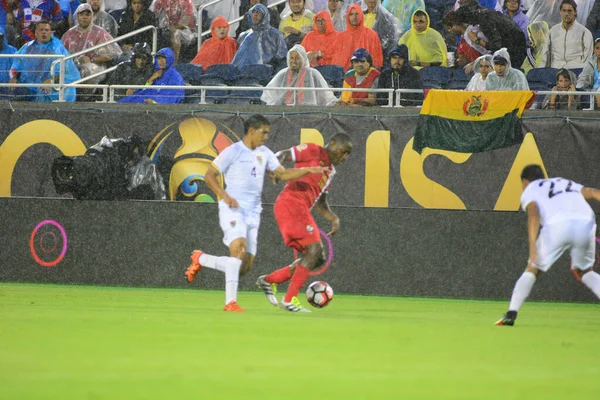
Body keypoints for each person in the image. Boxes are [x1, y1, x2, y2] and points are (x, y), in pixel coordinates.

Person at [185, 114, 329, 312]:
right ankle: (230, 303)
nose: (267, 137)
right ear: (252, 131)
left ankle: (201, 258)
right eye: (264, 132)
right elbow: (209, 175)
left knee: (242, 266)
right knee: (238, 248)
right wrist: (224, 196)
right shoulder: (233, 151)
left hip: (254, 212)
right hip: (232, 208)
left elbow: (284, 174)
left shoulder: (265, 153)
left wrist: (309, 170)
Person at [256, 132, 353, 312]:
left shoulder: (330, 172)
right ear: (332, 144)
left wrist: (332, 217)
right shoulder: (312, 150)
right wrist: (275, 169)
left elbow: (321, 200)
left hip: (300, 209)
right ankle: (289, 299)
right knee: (314, 249)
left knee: (318, 257)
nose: (345, 157)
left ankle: (269, 280)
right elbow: (282, 154)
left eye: (348, 154)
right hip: (290, 203)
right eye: (344, 151)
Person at [495, 164, 600, 326]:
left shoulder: (530, 189)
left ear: (525, 181)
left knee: (532, 268)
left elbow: (533, 213)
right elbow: (593, 192)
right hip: (586, 223)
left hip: (557, 226)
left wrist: (532, 247)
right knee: (585, 271)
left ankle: (511, 314)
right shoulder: (564, 182)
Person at [9, 20, 80, 101]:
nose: (44, 32)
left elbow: (68, 73)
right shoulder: (27, 47)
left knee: (45, 93)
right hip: (28, 88)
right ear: (36, 32)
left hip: (51, 89)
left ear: (51, 33)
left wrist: (51, 80)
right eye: (41, 30)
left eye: (46, 30)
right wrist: (13, 77)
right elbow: (16, 64)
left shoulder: (58, 49)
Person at [455, 2, 527, 69]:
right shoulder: (487, 13)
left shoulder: (485, 20)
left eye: (467, 22)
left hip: (515, 52)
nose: (470, 24)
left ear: (469, 18)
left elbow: (496, 46)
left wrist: (477, 40)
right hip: (514, 47)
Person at [62, 3, 122, 82]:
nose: (85, 17)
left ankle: (86, 94)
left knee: (85, 70)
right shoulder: (69, 34)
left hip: (95, 66)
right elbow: (61, 54)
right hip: (72, 66)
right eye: (82, 14)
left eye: (87, 14)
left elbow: (111, 55)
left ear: (92, 16)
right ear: (77, 16)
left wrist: (91, 59)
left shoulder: (100, 33)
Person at [261, 44, 337, 106]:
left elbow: (326, 96)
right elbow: (270, 94)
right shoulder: (282, 73)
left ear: (303, 59)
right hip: (284, 110)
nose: (293, 61)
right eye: (291, 58)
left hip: (309, 111)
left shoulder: (313, 73)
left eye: (297, 58)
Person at [118, 47, 184, 103]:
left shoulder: (176, 77)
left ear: (170, 59)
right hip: (146, 104)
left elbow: (172, 99)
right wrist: (150, 80)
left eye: (163, 58)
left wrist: (154, 102)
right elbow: (145, 90)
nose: (160, 61)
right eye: (159, 58)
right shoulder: (155, 73)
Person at [540, 0, 593, 70]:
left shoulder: (584, 32)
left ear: (575, 12)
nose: (567, 14)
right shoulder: (553, 31)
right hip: (554, 70)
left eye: (569, 11)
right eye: (564, 11)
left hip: (576, 69)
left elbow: (588, 59)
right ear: (560, 12)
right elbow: (545, 55)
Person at [232, 3, 287, 70]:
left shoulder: (275, 35)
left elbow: (283, 58)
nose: (255, 15)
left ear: (265, 16)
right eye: (253, 12)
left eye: (258, 12)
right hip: (244, 75)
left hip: (266, 73)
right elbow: (237, 60)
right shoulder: (243, 36)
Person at [331, 4, 383, 71]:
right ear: (347, 17)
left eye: (357, 14)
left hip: (367, 76)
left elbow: (377, 61)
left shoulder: (372, 35)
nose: (354, 17)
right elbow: (336, 61)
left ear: (361, 15)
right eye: (351, 14)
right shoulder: (341, 37)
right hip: (345, 77)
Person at [576, 37, 600, 108]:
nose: (599, 51)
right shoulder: (590, 63)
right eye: (597, 48)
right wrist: (578, 89)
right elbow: (583, 79)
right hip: (592, 92)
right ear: (594, 49)